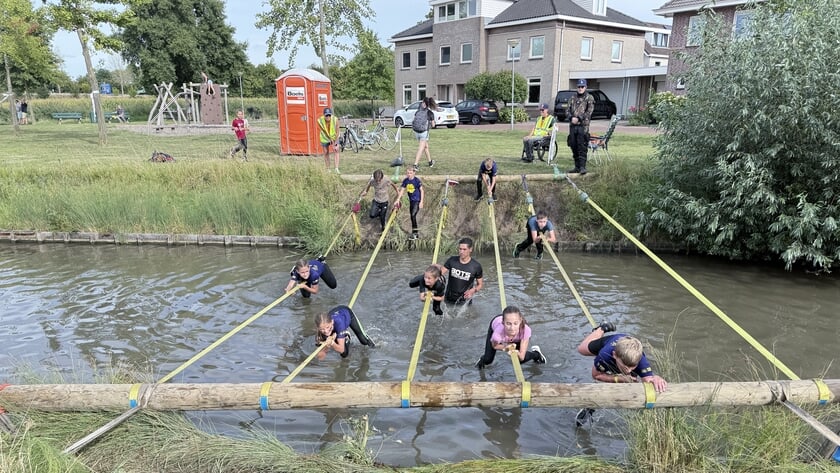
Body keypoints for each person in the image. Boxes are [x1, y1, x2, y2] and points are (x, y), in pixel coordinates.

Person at [576, 321, 668, 392]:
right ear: (614, 355)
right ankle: (602, 328)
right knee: (581, 349)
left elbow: (648, 380)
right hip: (610, 343)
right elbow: (596, 375)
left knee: (634, 380)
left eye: (633, 366)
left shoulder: (641, 360)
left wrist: (655, 378)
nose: (629, 370)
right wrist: (620, 378)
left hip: (625, 352)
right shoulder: (605, 355)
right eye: (625, 366)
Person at [474, 305, 546, 369]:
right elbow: (494, 346)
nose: (512, 328)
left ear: (520, 321)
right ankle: (481, 362)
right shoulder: (498, 333)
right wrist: (507, 347)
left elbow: (521, 357)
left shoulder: (525, 330)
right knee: (488, 360)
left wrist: (516, 353)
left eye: (515, 323)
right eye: (508, 324)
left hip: (518, 335)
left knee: (520, 360)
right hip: (495, 324)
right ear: (503, 322)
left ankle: (536, 354)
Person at [437, 237, 484, 304]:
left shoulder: (476, 266)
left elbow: (480, 285)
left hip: (465, 300)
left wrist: (473, 290)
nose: (461, 252)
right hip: (449, 297)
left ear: (470, 249)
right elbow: (439, 274)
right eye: (460, 249)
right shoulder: (452, 260)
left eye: (464, 249)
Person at [566, 79, 595, 175]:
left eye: (582, 87)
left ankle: (582, 167)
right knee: (573, 145)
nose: (580, 88)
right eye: (579, 87)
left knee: (581, 146)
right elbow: (567, 110)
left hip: (583, 126)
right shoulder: (572, 98)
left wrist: (579, 118)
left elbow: (589, 112)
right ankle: (577, 166)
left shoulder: (589, 98)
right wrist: (571, 118)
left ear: (585, 87)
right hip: (573, 126)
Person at [394, 166, 424, 239]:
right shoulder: (406, 181)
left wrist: (421, 202)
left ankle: (415, 234)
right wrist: (398, 199)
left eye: (410, 173)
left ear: (414, 173)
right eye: (407, 173)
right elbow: (402, 190)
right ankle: (415, 233)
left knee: (413, 215)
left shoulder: (417, 181)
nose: (409, 174)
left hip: (417, 200)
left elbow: (422, 191)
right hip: (411, 201)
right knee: (412, 216)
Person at [411, 97, 436, 170]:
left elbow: (414, 119)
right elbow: (433, 125)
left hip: (416, 131)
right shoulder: (430, 113)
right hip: (423, 132)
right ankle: (415, 165)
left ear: (423, 103)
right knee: (421, 148)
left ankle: (430, 162)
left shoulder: (418, 111)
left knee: (425, 147)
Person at [317, 108, 341, 174]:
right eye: (326, 115)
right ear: (324, 115)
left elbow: (337, 131)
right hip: (325, 137)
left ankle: (336, 168)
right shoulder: (320, 121)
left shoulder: (335, 120)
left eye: (329, 115)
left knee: (336, 150)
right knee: (326, 152)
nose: (328, 117)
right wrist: (330, 139)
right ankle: (328, 169)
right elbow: (324, 131)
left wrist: (335, 143)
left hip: (334, 136)